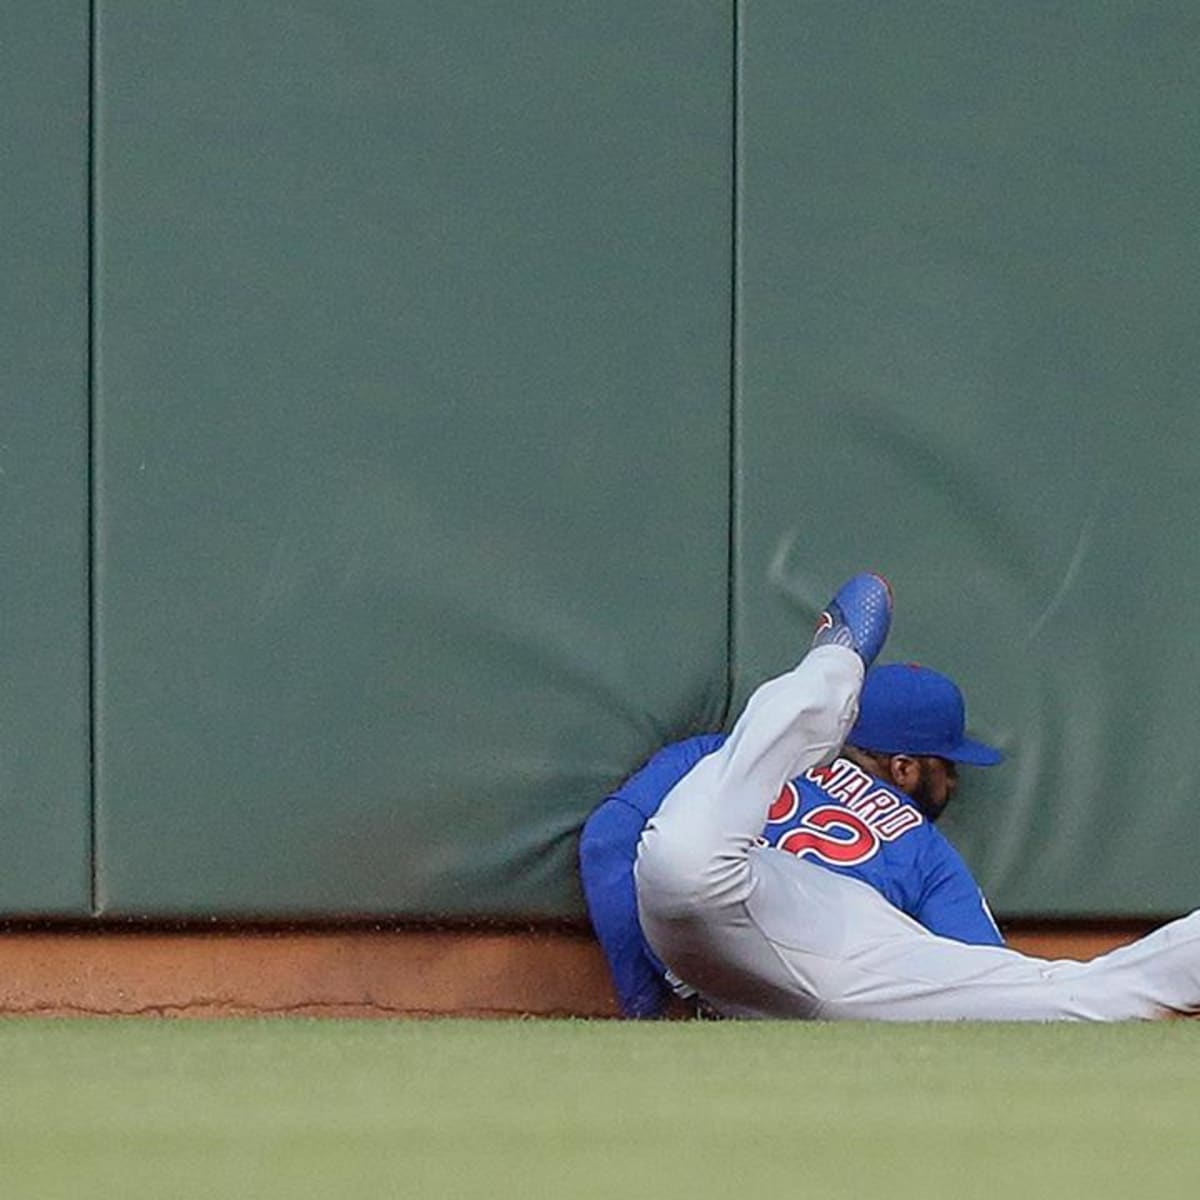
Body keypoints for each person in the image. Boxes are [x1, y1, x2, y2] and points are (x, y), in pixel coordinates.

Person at [581, 573, 1200, 1021]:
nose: (953, 782)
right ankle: (830, 671)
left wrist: (644, 1009)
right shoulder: (923, 847)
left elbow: (610, 842)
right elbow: (984, 972)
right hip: (830, 949)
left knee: (684, 855)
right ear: (904, 766)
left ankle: (831, 668)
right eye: (945, 765)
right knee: (1071, 995)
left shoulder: (708, 756)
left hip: (728, 938)